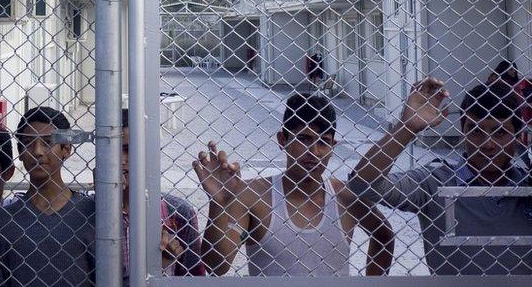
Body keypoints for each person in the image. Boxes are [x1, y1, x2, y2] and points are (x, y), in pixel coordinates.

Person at [195, 93, 395, 277]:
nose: (314, 151)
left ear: (333, 146)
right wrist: (219, 203)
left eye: (323, 142)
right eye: (304, 139)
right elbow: (216, 265)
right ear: (283, 139)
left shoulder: (345, 197)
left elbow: (384, 235)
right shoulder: (253, 196)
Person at [348, 78, 532, 275]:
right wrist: (407, 128)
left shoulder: (526, 184)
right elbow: (363, 184)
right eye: (476, 131)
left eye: (500, 132)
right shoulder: (435, 181)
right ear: (463, 131)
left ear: (518, 136)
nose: (488, 144)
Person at [0, 106, 96, 286]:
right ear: (20, 151)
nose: (38, 151)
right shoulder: (0, 221)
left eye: (48, 142)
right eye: (28, 142)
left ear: (66, 149)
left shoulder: (91, 213)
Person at [121, 109, 204, 281]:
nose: (120, 159)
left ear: (149, 153)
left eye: (128, 150)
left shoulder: (180, 215)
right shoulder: (89, 212)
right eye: (110, 150)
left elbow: (194, 277)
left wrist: (164, 264)